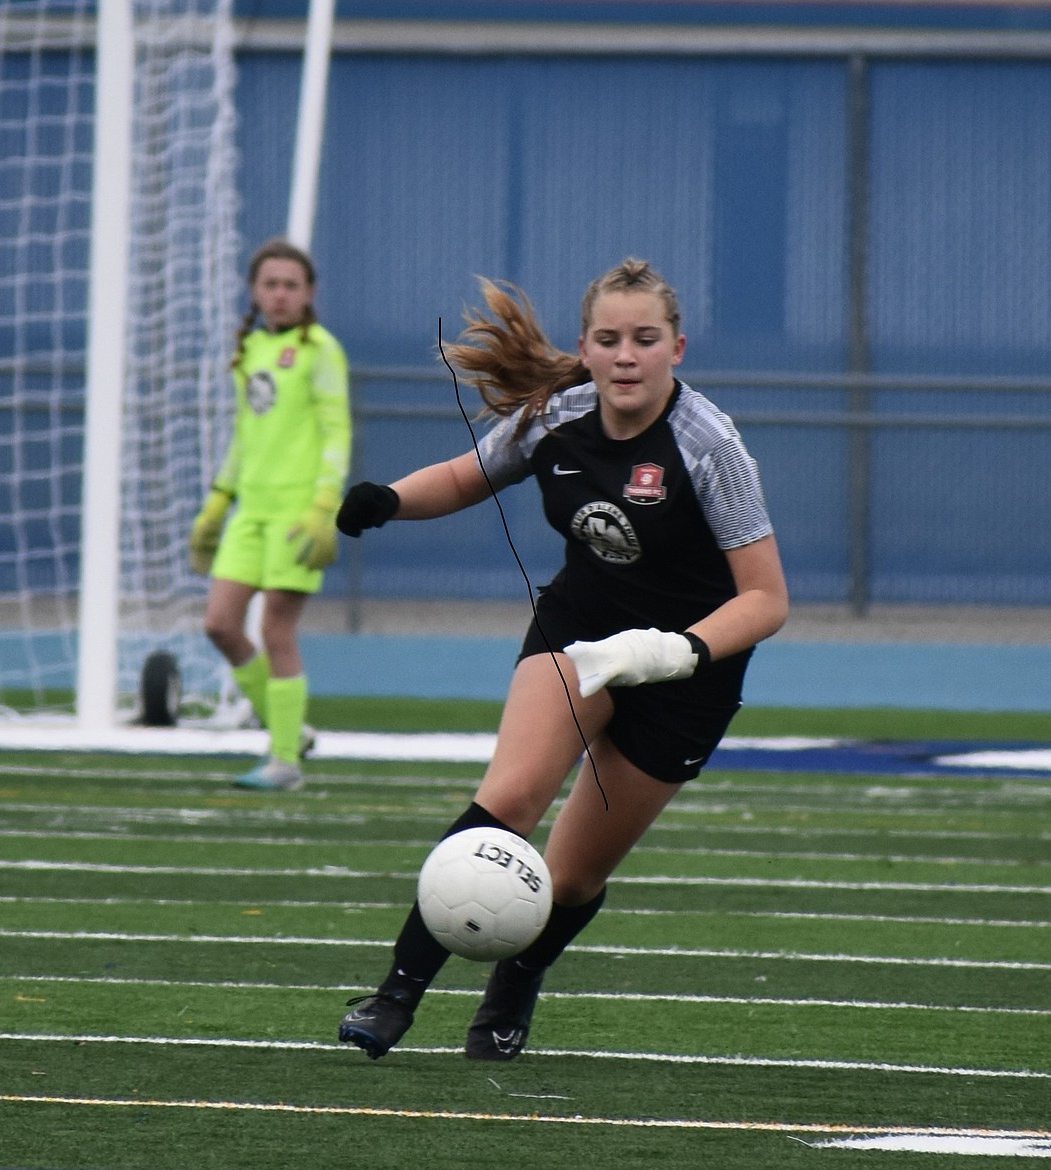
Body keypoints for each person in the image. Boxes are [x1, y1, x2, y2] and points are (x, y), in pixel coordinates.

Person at [335, 257, 788, 1059]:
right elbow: (466, 475)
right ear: (584, 346)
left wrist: (678, 651)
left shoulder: (711, 446)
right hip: (580, 630)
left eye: (645, 339)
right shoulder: (555, 415)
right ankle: (393, 996)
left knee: (570, 879)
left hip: (687, 675)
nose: (625, 355)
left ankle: (515, 985)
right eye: (609, 339)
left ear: (676, 348)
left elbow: (765, 600)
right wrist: (391, 501)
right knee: (507, 797)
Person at [189, 237, 351, 791]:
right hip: (250, 512)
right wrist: (218, 500)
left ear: (308, 293)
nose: (280, 295)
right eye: (270, 285)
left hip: (296, 511)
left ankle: (285, 762)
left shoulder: (321, 350)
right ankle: (290, 731)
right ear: (255, 292)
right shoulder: (250, 350)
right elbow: (244, 437)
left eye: (291, 285)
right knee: (219, 624)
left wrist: (323, 506)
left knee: (276, 626)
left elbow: (336, 432)